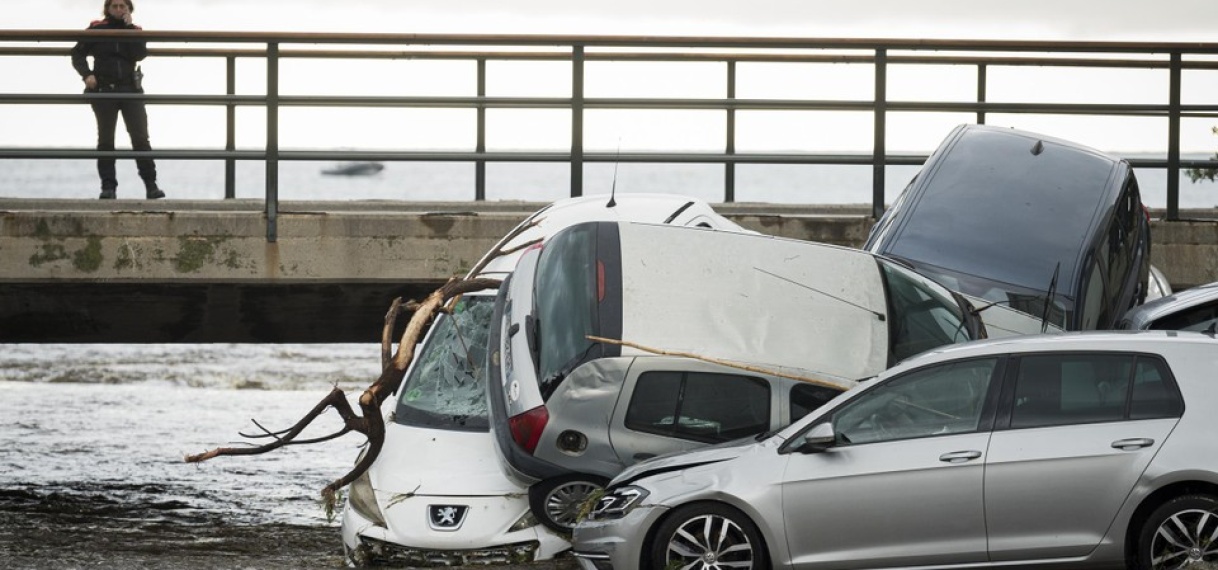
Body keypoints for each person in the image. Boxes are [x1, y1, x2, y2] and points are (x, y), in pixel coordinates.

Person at [71, 0, 165, 200]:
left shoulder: (136, 30)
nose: (119, 9)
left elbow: (140, 54)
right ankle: (108, 188)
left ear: (129, 9)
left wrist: (129, 27)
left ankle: (151, 186)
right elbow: (77, 53)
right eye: (115, 6)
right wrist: (87, 74)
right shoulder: (97, 28)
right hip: (104, 89)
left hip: (130, 89)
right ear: (107, 9)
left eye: (123, 6)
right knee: (106, 140)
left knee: (140, 139)